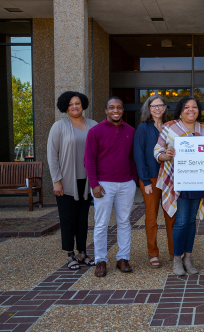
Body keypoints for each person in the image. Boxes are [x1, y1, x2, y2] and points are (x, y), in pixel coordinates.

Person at [154, 96, 204, 276]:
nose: (191, 110)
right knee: (181, 221)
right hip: (180, 181)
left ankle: (188, 257)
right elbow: (157, 151)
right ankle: (177, 259)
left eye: (194, 107)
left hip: (199, 180)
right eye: (187, 107)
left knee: (192, 221)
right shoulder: (169, 127)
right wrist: (167, 154)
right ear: (181, 110)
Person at [84, 96, 138, 278]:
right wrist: (94, 184)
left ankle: (123, 258)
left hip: (126, 184)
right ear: (106, 110)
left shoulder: (131, 130)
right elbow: (88, 159)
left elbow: (132, 158)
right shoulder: (95, 131)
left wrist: (134, 181)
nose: (116, 110)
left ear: (123, 110)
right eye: (112, 108)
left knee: (124, 222)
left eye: (119, 107)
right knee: (101, 224)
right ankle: (100, 260)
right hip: (103, 185)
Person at [47, 91, 97, 270]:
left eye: (77, 103)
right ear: (65, 108)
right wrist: (56, 180)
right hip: (66, 182)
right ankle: (70, 255)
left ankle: (82, 252)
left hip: (87, 182)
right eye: (70, 104)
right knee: (68, 219)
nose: (74, 107)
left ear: (83, 104)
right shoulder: (58, 126)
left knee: (83, 219)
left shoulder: (93, 125)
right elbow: (52, 155)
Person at [134, 94, 174, 268]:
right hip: (150, 178)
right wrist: (145, 180)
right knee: (151, 217)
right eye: (153, 106)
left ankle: (175, 252)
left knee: (171, 216)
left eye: (160, 105)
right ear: (148, 109)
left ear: (165, 108)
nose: (157, 109)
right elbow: (139, 155)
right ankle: (153, 253)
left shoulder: (171, 128)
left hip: (169, 178)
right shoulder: (143, 128)